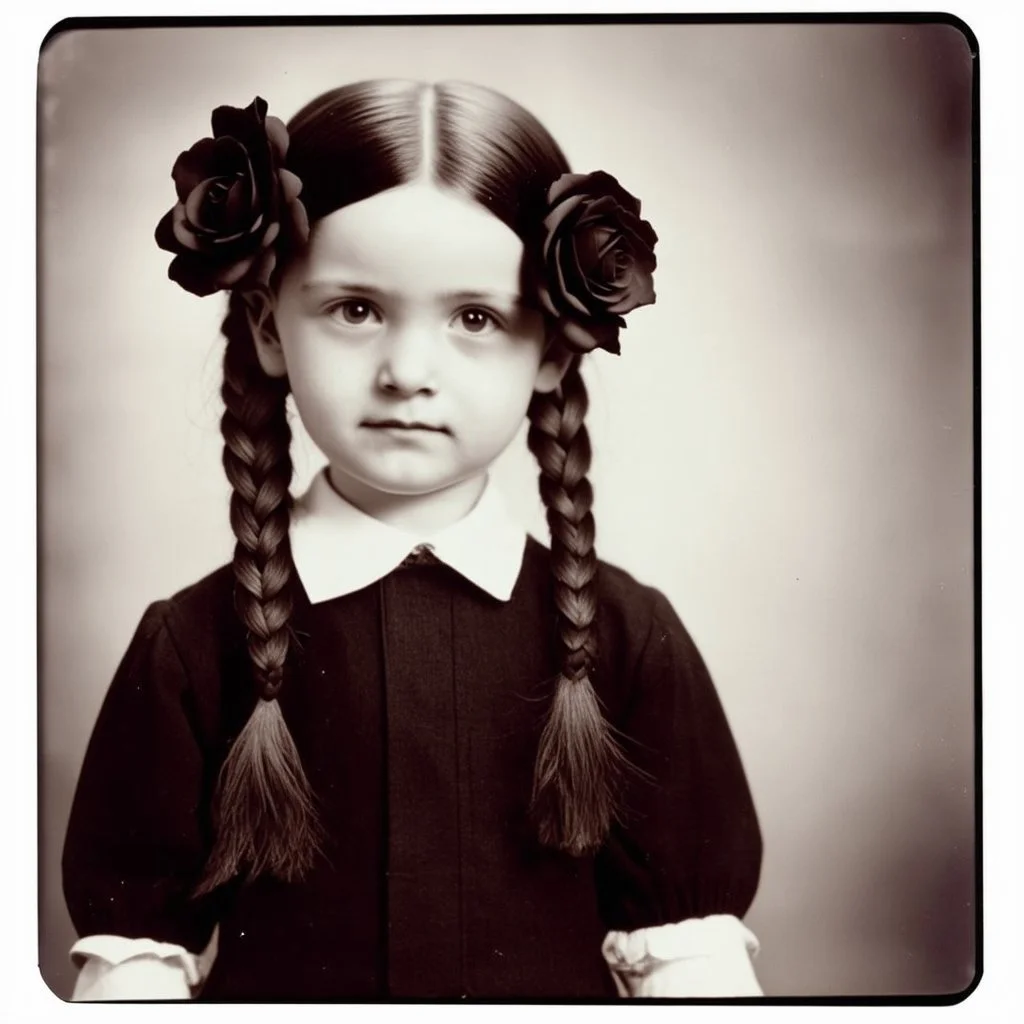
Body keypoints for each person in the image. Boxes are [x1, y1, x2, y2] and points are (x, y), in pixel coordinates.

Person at [61, 79, 764, 1001]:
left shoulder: (631, 637)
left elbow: (690, 964)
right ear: (271, 326)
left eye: (475, 319)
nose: (407, 372)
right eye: (355, 309)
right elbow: (135, 969)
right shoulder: (193, 644)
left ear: (550, 350)